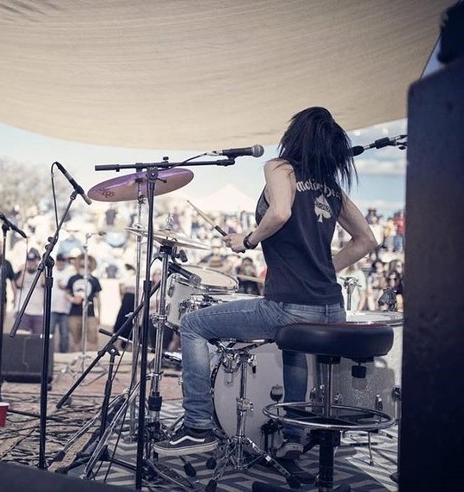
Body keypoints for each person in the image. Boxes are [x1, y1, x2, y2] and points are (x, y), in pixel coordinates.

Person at [154, 107, 376, 459]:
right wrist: (326, 269)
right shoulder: (332, 187)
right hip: (332, 307)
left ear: (295, 136)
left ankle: (197, 427)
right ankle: (293, 436)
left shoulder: (279, 167)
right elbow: (367, 240)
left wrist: (248, 239)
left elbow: (281, 212)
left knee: (194, 324)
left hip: (288, 305)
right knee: (293, 351)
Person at [66, 253, 102, 352]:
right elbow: (67, 293)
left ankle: (91, 362)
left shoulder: (94, 280)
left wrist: (99, 314)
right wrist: (72, 299)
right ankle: (76, 362)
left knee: (93, 339)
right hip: (74, 313)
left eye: (87, 266)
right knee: (75, 340)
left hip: (90, 314)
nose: (84, 268)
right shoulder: (72, 278)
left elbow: (98, 298)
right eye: (82, 266)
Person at [14, 248, 45, 335]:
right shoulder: (21, 272)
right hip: (23, 310)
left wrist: (41, 270)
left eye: (34, 261)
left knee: (38, 337)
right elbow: (19, 284)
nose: (32, 263)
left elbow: (44, 283)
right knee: (21, 335)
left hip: (38, 311)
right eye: (30, 261)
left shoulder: (42, 273)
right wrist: (23, 271)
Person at [50, 252, 73, 352]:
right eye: (59, 260)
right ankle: (49, 353)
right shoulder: (51, 271)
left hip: (65, 309)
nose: (61, 262)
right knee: (50, 333)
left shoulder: (69, 273)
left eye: (63, 260)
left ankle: (63, 354)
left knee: (64, 335)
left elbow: (71, 288)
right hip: (52, 308)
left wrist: (66, 288)